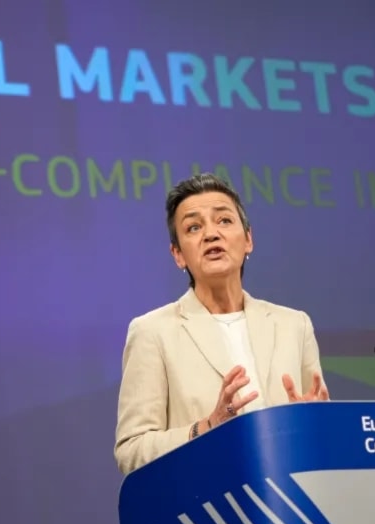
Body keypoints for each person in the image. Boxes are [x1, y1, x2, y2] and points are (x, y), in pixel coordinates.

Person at [113, 172, 330, 475]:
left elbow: (322, 436)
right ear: (178, 255)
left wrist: (316, 425)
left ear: (248, 239)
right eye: (193, 227)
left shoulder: (294, 325)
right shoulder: (153, 332)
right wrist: (208, 427)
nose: (211, 234)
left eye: (224, 221)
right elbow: (131, 451)